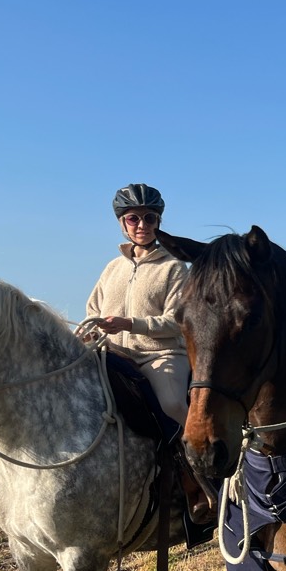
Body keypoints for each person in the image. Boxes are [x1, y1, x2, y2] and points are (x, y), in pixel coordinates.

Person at [87, 183, 191, 429]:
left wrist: (130, 324)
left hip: (160, 355)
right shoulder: (112, 268)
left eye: (149, 218)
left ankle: (201, 450)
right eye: (133, 218)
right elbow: (93, 310)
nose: (142, 225)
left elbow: (177, 322)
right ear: (122, 223)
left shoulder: (174, 266)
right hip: (112, 354)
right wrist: (90, 332)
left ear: (158, 222)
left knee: (173, 404)